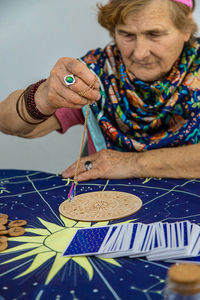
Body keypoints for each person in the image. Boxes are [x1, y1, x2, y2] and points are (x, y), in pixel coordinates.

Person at [0, 0, 200, 181]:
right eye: (126, 34)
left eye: (155, 34)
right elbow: (7, 123)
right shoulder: (96, 73)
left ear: (185, 29)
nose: (139, 53)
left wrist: (131, 163)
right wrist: (43, 96)